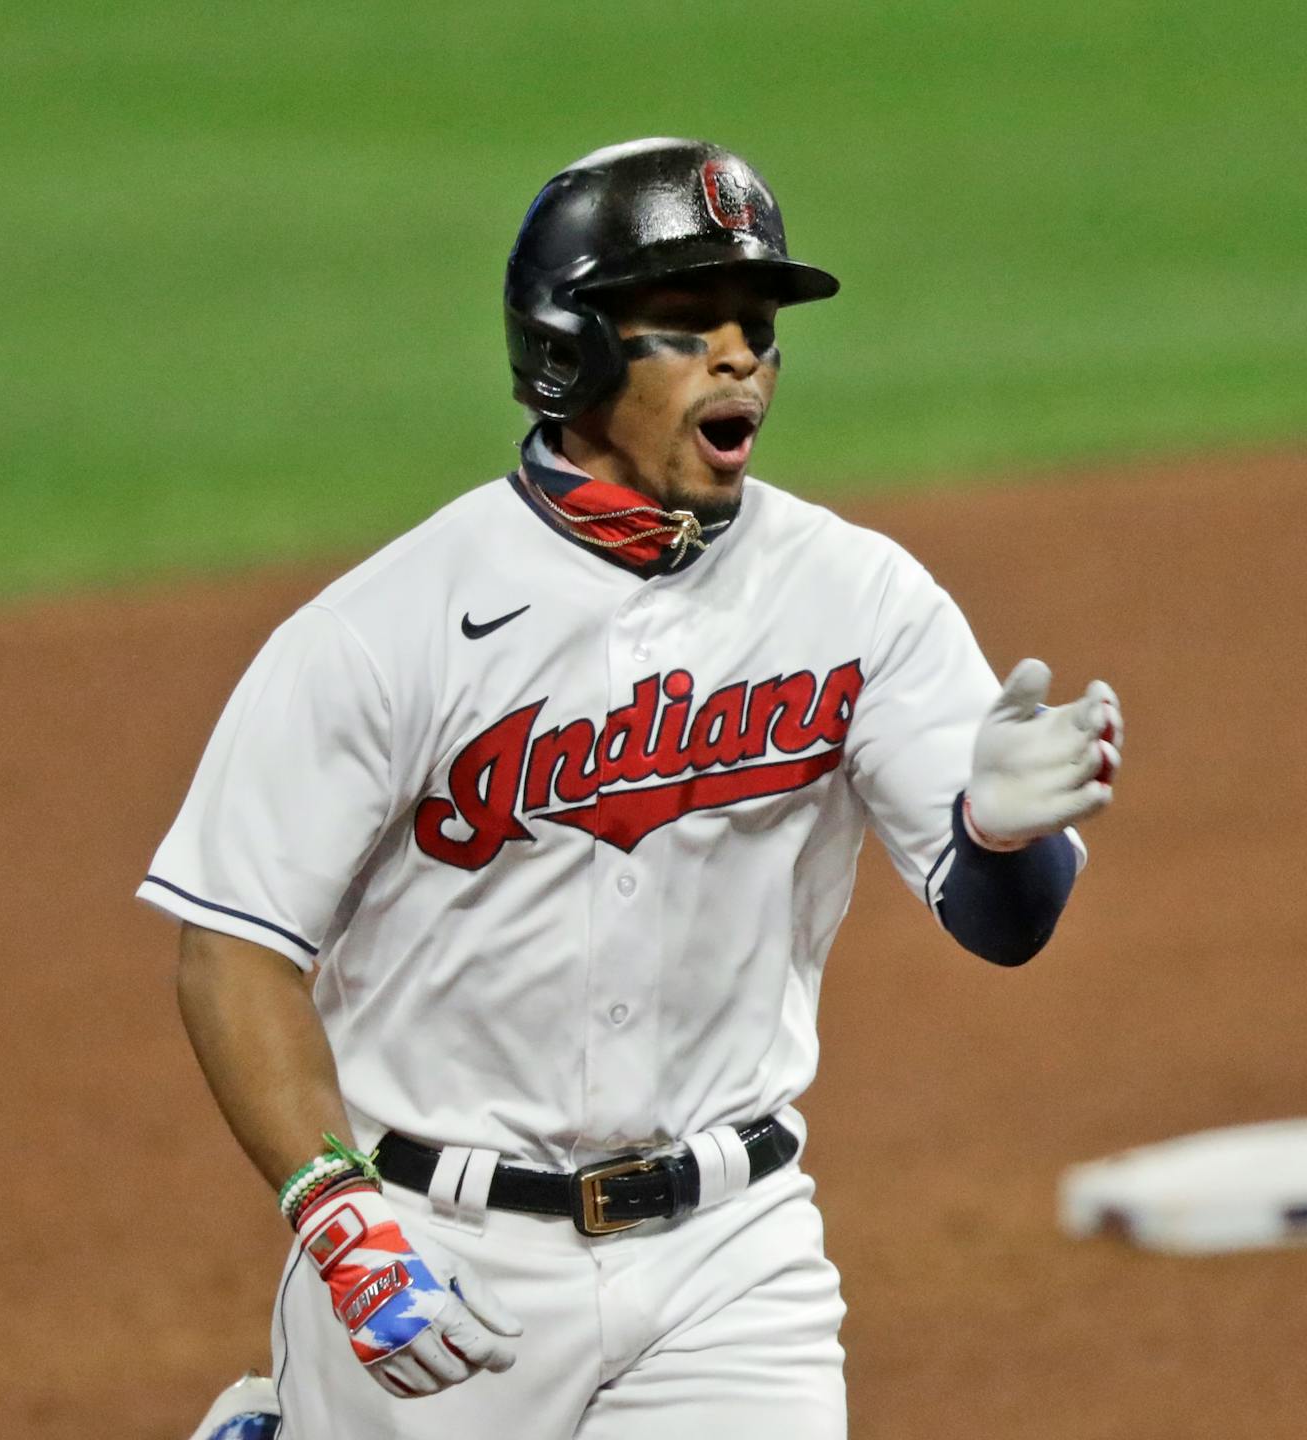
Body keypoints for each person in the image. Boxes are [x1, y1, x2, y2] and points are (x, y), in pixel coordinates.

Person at [144, 137, 1123, 1440]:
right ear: (571, 352)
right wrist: (337, 1213)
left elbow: (1006, 924)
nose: (742, 359)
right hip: (444, 1248)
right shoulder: (387, 628)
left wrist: (1000, 834)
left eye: (759, 328)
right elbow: (233, 948)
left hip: (732, 1258)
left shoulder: (855, 595)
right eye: (687, 326)